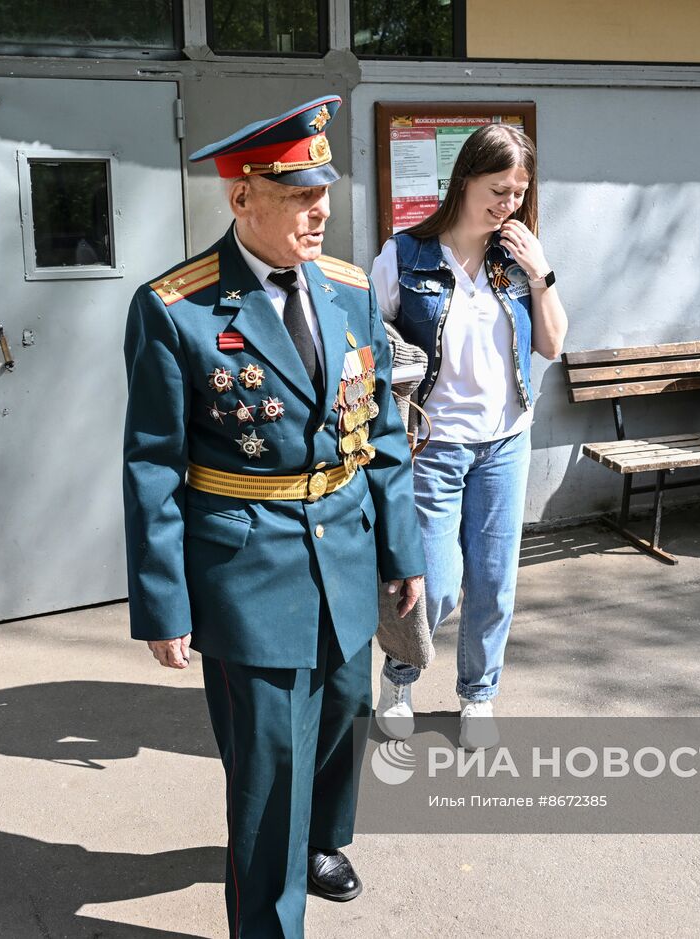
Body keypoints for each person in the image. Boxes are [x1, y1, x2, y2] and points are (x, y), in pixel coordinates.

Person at [121, 96, 425, 938]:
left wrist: (404, 549)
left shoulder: (350, 290)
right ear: (241, 197)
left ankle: (325, 842)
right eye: (296, 193)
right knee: (267, 769)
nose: (319, 208)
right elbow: (150, 466)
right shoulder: (176, 308)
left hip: (348, 549)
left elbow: (382, 427)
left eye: (322, 189)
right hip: (247, 569)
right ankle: (267, 924)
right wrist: (164, 601)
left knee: (342, 716)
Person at [369, 122, 567, 751]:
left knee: (494, 581)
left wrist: (543, 275)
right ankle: (400, 675)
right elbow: (373, 351)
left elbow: (552, 346)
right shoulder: (404, 256)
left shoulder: (516, 261)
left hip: (506, 442)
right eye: (497, 188)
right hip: (432, 446)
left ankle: (478, 694)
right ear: (464, 182)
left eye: (518, 192)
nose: (508, 203)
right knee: (434, 582)